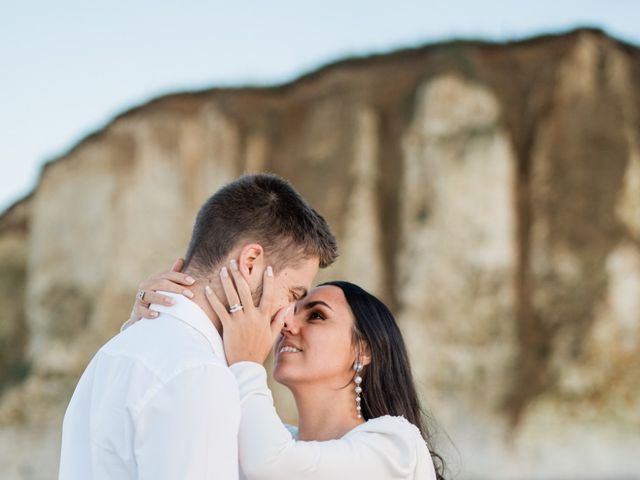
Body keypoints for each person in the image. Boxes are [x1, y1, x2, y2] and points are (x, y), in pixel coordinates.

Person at [59, 173, 338, 480]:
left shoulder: (110, 354)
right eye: (293, 294)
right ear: (250, 263)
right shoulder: (200, 374)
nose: (288, 317)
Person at [130, 260, 446, 479]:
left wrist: (247, 363)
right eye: (290, 311)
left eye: (317, 316)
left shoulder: (397, 446)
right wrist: (145, 326)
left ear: (364, 350)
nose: (286, 324)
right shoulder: (273, 440)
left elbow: (272, 465)